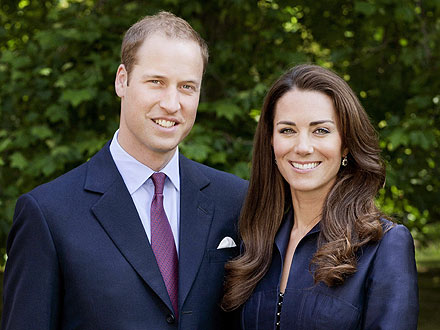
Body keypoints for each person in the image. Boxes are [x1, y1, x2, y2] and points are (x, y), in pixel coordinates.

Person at [2, 11, 247, 329]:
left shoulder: (235, 200)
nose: (172, 103)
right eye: (156, 82)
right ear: (122, 80)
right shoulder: (48, 214)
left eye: (187, 87)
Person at [222, 64, 418, 329]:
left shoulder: (383, 245)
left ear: (346, 144)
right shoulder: (253, 241)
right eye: (287, 130)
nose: (302, 147)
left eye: (321, 131)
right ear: (271, 141)